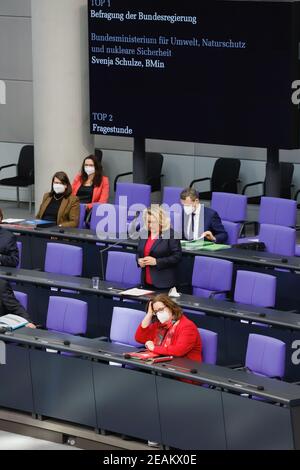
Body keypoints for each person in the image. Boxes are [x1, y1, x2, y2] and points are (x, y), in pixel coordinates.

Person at [135, 293, 202, 361]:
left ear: (170, 306)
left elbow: (179, 351)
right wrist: (149, 314)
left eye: (161, 309)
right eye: (156, 312)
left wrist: (153, 348)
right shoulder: (160, 324)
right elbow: (140, 338)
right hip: (164, 362)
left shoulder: (187, 326)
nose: (159, 314)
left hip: (185, 366)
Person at [137, 205, 182, 290]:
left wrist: (157, 262)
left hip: (164, 283)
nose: (149, 225)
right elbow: (139, 252)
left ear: (161, 221)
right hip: (146, 281)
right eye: (147, 221)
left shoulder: (171, 234)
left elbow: (177, 257)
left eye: (152, 222)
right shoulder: (144, 233)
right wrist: (139, 260)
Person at [72, 154, 109, 221]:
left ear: (96, 167)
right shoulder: (78, 178)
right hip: (74, 208)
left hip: (89, 210)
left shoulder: (104, 180)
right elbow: (71, 195)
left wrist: (87, 206)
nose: (88, 167)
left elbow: (103, 202)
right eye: (86, 165)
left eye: (91, 165)